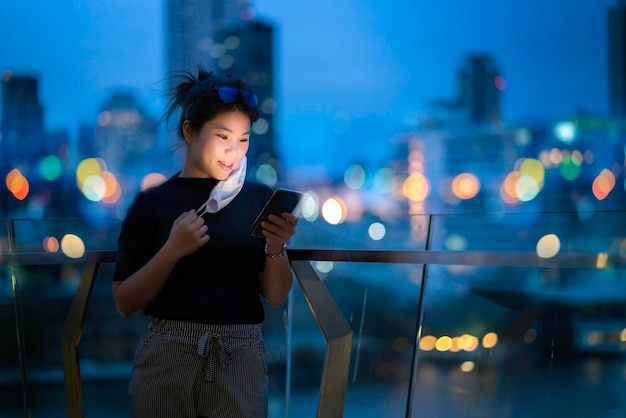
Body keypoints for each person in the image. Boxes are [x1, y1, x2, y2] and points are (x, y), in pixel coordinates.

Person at [112, 67, 298, 418]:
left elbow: (274, 295)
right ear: (189, 131)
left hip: (240, 354)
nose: (234, 151)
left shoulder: (257, 197)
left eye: (243, 139)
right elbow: (124, 301)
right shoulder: (152, 204)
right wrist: (172, 250)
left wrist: (277, 246)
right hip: (168, 353)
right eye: (222, 136)